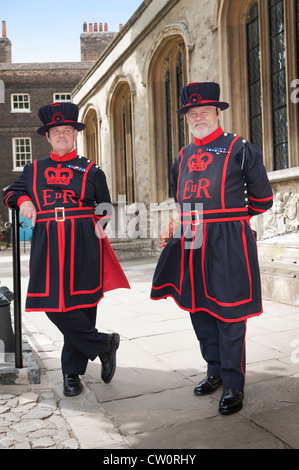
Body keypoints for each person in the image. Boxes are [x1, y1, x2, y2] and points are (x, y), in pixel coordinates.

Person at [151, 82, 273, 414]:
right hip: (191, 236)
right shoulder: (182, 155)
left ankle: (234, 384)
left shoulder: (240, 147)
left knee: (230, 311)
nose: (198, 117)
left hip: (229, 237)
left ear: (217, 112)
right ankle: (215, 371)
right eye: (192, 112)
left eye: (204, 110)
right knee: (199, 308)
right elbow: (179, 198)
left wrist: (228, 219)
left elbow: (263, 199)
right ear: (186, 117)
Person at [4, 102, 130, 397]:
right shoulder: (33, 170)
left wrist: (92, 237)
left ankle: (72, 374)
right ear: (47, 137)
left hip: (84, 242)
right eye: (55, 131)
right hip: (48, 243)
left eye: (67, 130)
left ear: (75, 134)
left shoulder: (91, 169)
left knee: (83, 307)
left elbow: (105, 208)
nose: (61, 135)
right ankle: (103, 344)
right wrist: (23, 201)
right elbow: (11, 191)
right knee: (51, 305)